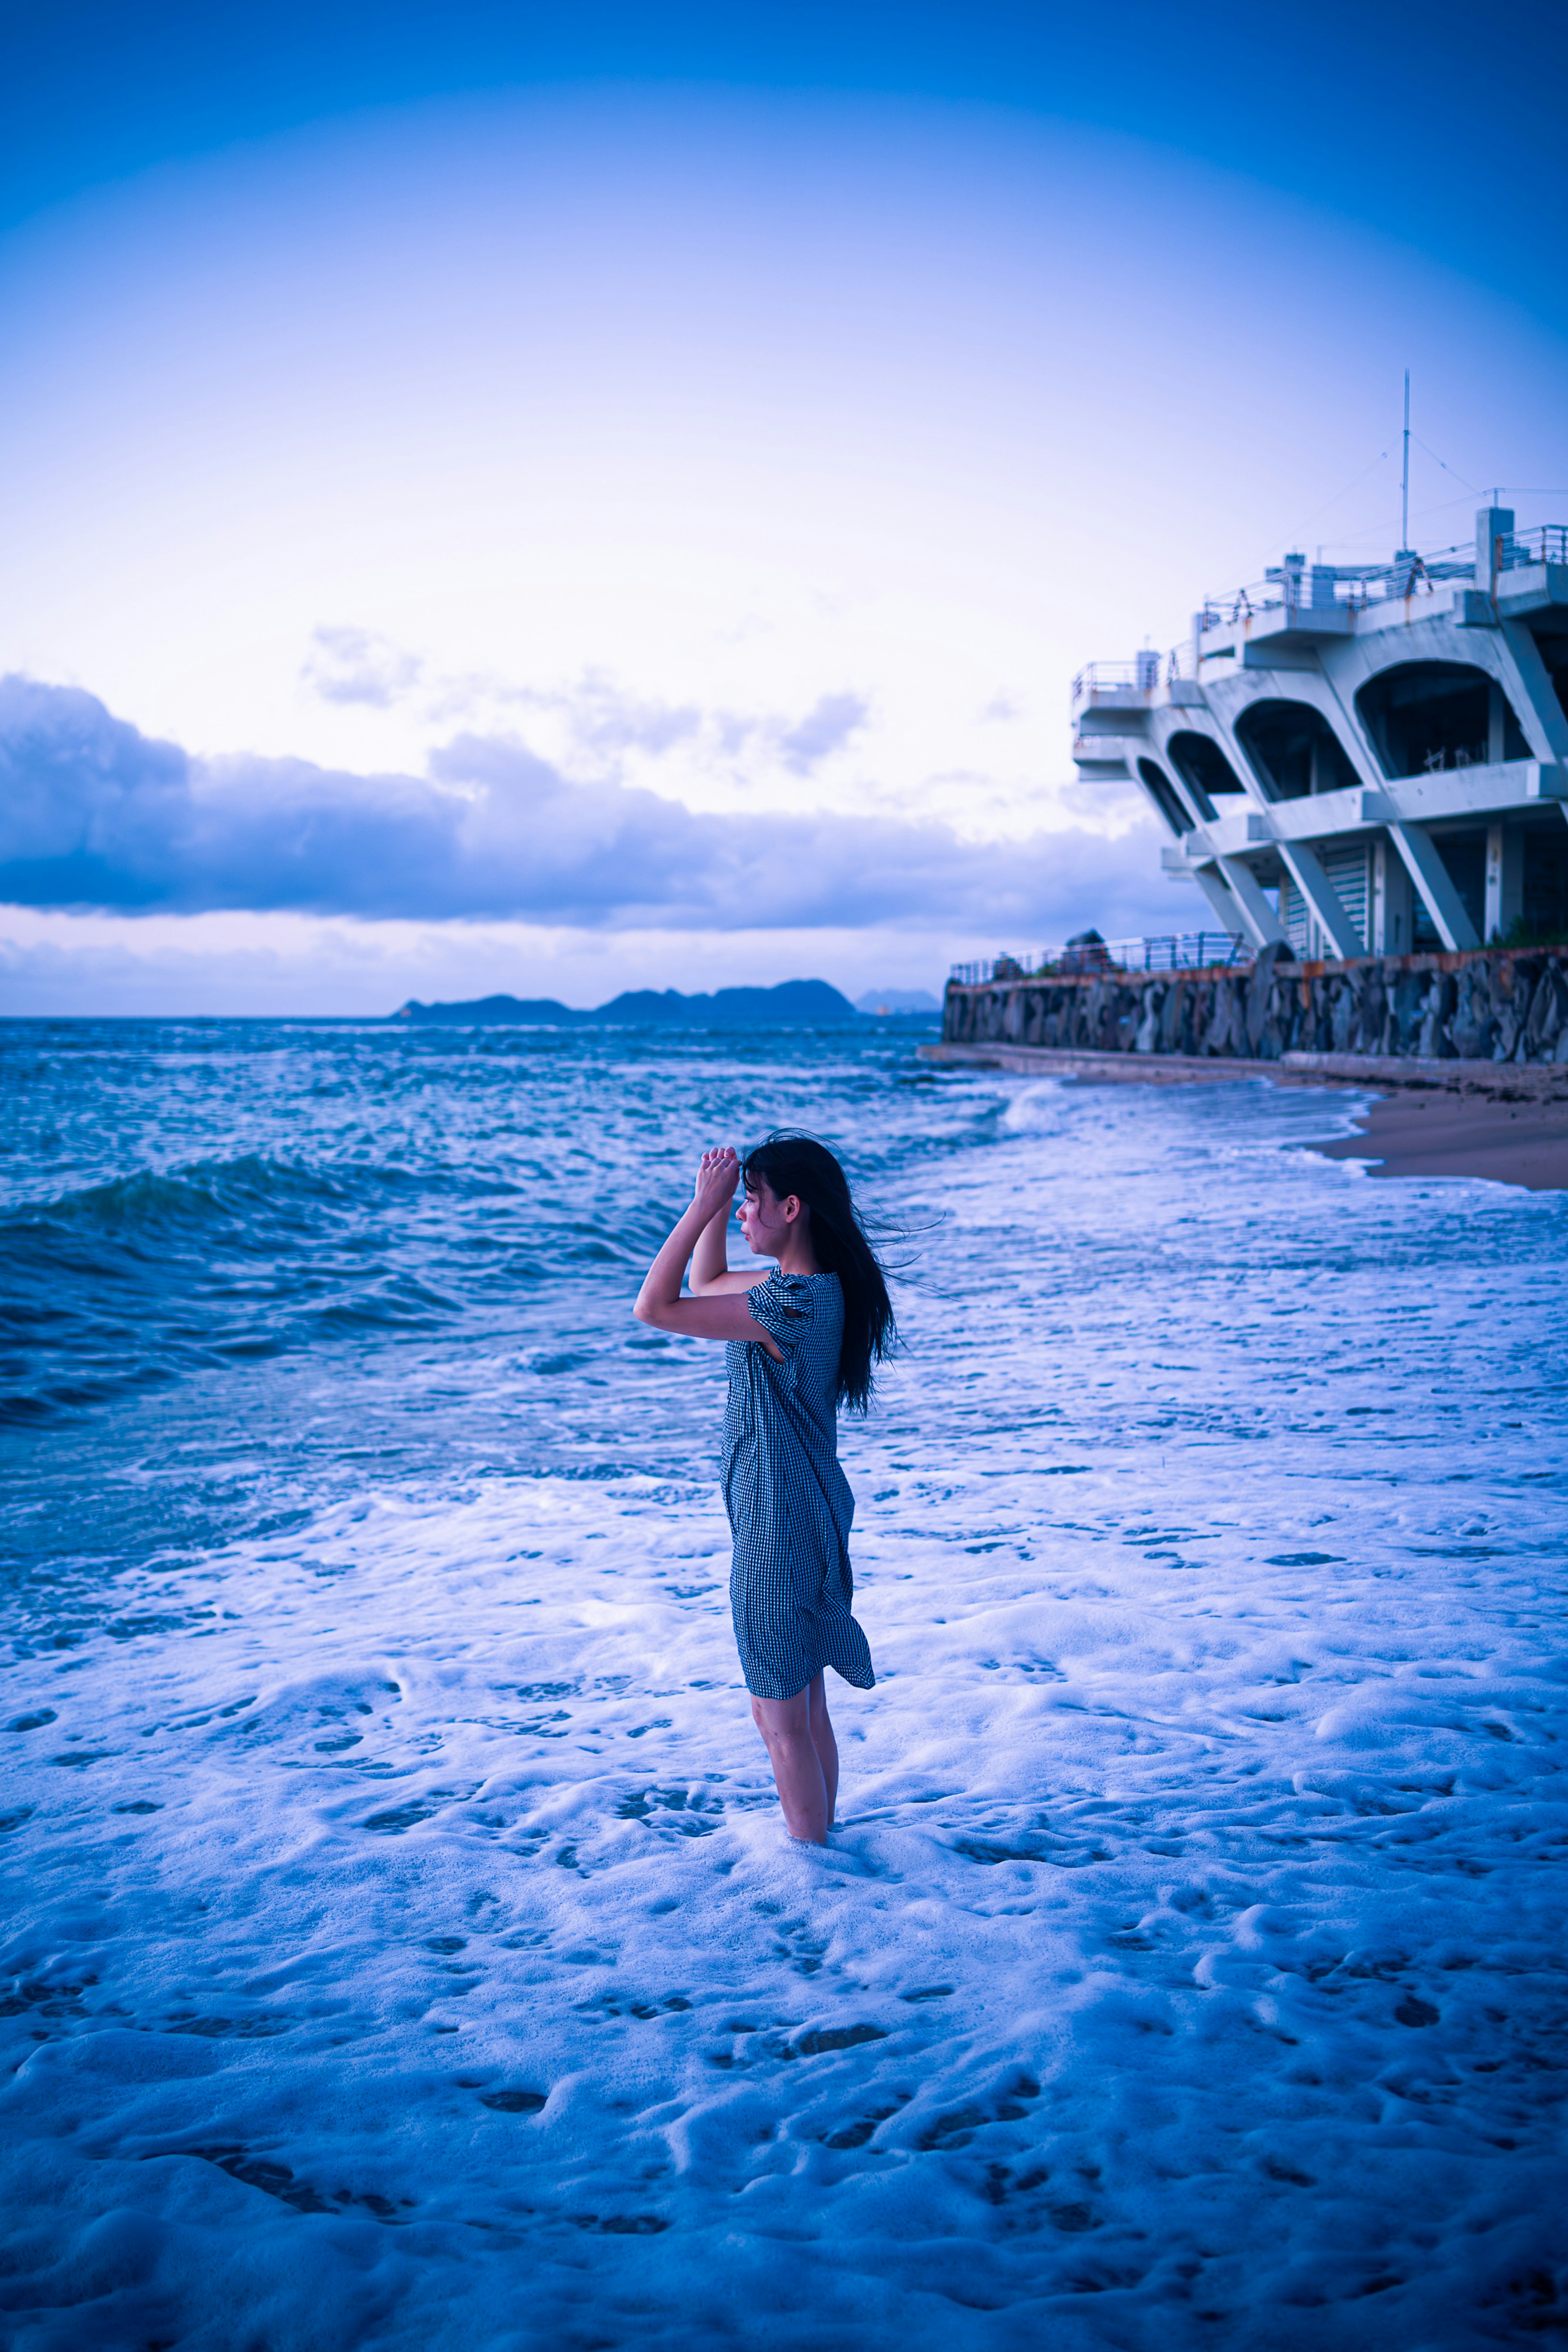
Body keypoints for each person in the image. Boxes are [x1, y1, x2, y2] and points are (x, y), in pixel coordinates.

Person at [633, 1132, 895, 1846]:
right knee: (804, 1709)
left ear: (792, 1207)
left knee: (779, 1719)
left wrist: (699, 1208)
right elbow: (710, 1283)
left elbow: (656, 1307)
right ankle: (830, 1852)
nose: (744, 1214)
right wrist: (714, 1211)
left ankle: (815, 1872)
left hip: (781, 1525)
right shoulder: (805, 1293)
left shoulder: (792, 1306)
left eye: (752, 1202)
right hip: (797, 1515)